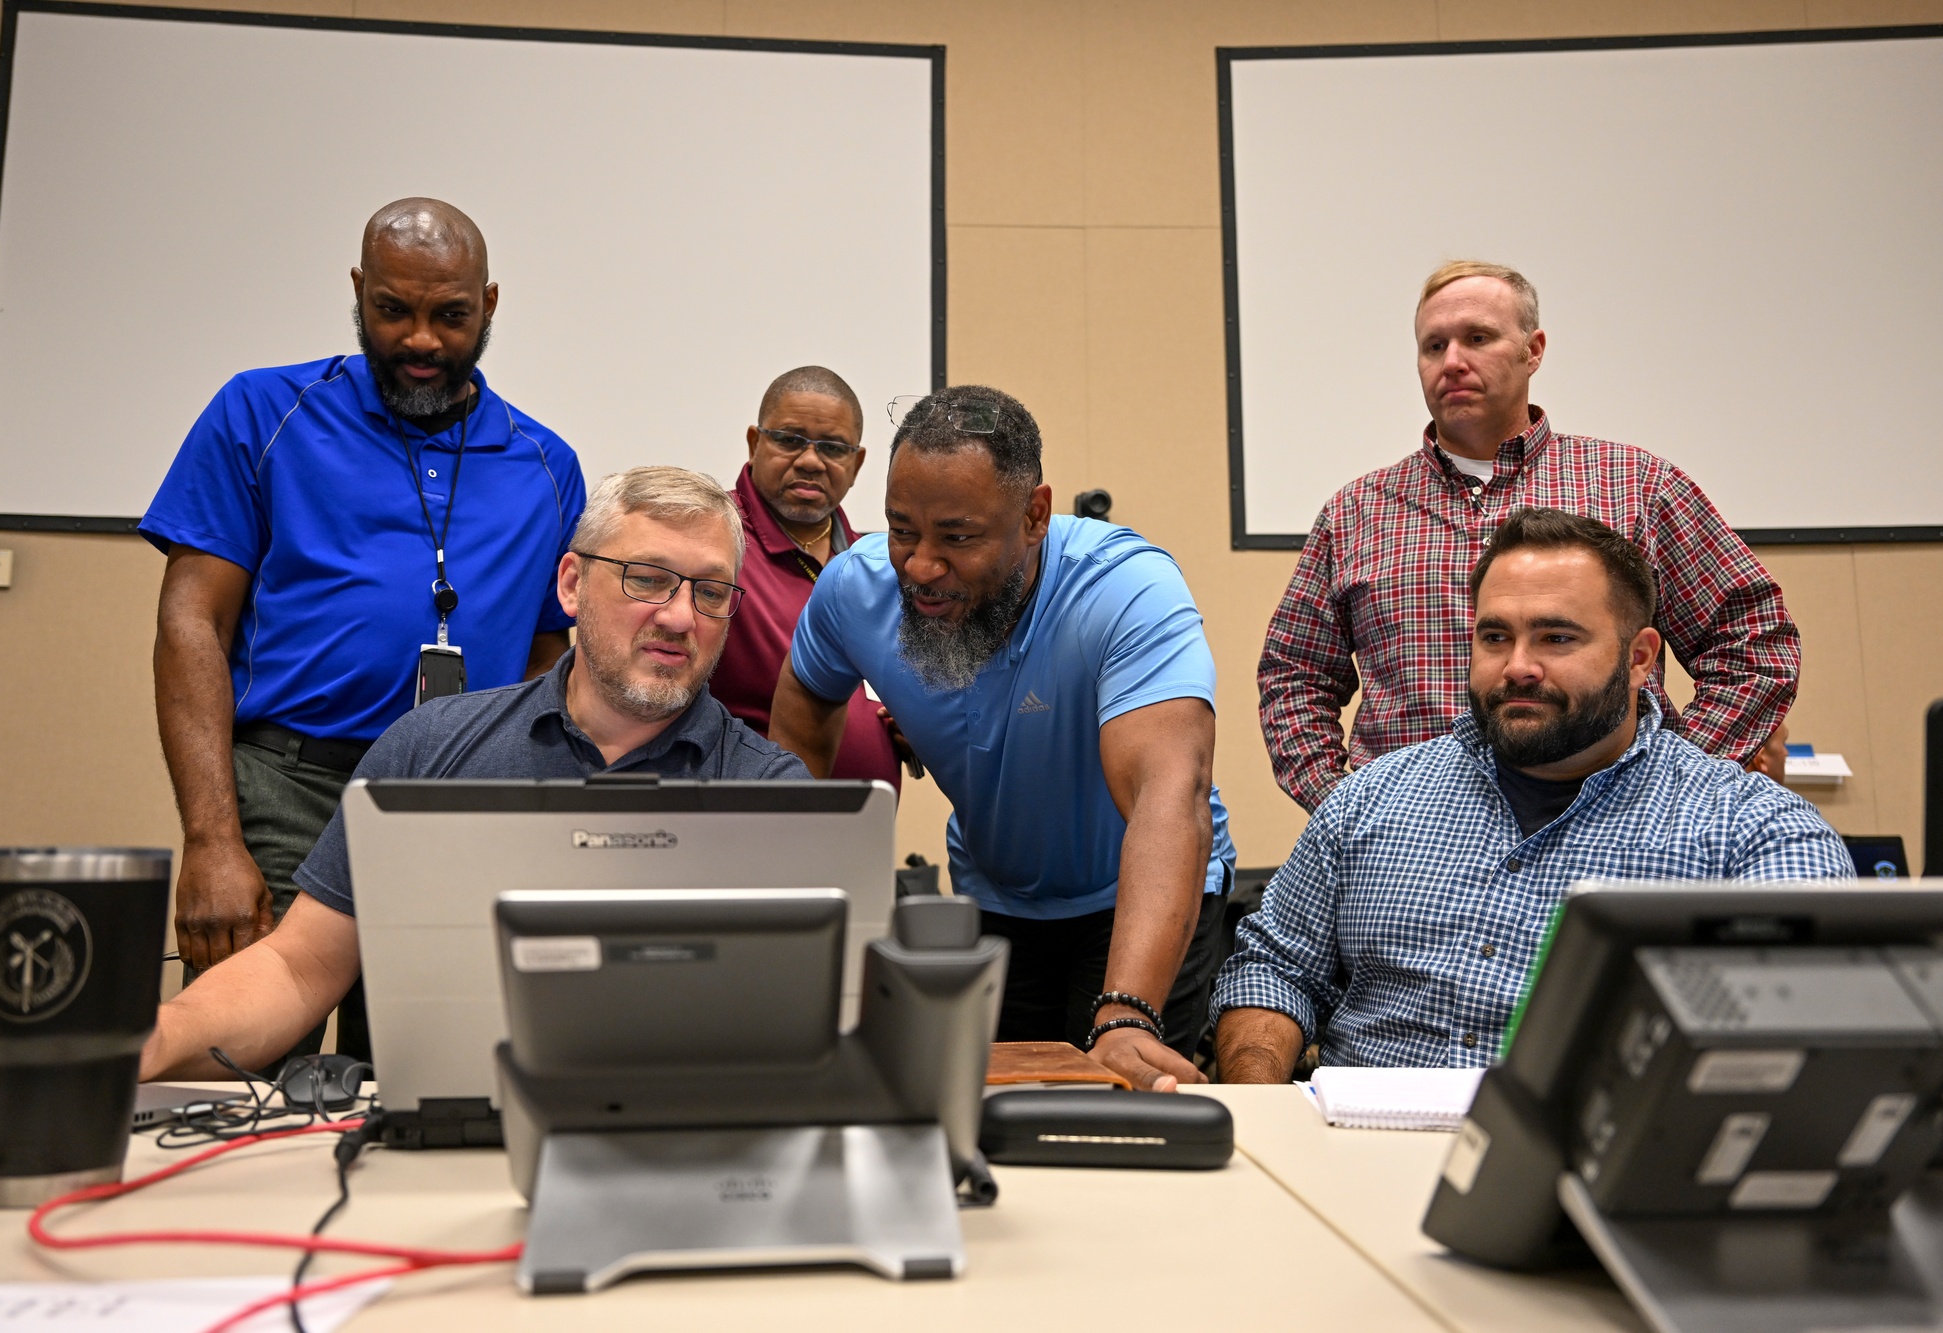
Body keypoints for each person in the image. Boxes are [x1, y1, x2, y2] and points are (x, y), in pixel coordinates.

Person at [140, 467, 810, 1080]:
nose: (679, 616)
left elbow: (802, 1016)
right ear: (571, 584)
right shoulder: (428, 752)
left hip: (674, 1135)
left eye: (711, 591)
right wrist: (155, 1038)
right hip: (438, 1142)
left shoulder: (770, 796)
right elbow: (297, 966)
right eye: (647, 577)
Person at [142, 199, 585, 1040]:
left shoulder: (547, 464)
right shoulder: (260, 412)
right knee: (247, 1066)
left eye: (450, 315)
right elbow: (191, 624)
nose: (421, 340)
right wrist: (210, 839)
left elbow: (544, 660)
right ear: (358, 291)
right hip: (286, 786)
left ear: (489, 305)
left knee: (427, 1078)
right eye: (393, 310)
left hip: (455, 802)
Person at [1214, 508, 1851, 1079]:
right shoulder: (1370, 799)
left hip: (1591, 1178)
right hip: (1356, 1156)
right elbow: (1274, 968)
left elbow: (1820, 1037)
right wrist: (1261, 1100)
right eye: (1495, 637)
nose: (1518, 665)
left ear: (1639, 659)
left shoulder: (1755, 833)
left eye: (1556, 638)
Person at [768, 385, 1237, 1093]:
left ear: (1034, 515)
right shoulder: (854, 589)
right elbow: (803, 708)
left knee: (1115, 1117)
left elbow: (1169, 793)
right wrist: (792, 907)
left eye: (957, 537)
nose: (921, 565)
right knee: (991, 1112)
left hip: (1132, 899)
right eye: (902, 529)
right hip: (997, 899)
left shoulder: (1126, 588)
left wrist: (1127, 1014)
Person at [1258, 259, 1800, 813]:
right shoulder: (1356, 513)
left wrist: (1671, 785)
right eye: (1433, 346)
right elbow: (1294, 675)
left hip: (1609, 833)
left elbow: (1754, 642)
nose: (1453, 362)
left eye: (1478, 338)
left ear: (1533, 350)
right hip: (1410, 844)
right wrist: (1343, 809)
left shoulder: (1636, 487)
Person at [707, 366, 901, 788]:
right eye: (790, 440)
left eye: (833, 447)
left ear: (857, 463)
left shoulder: (877, 562)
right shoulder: (711, 538)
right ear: (755, 443)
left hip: (864, 829)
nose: (811, 461)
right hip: (751, 827)